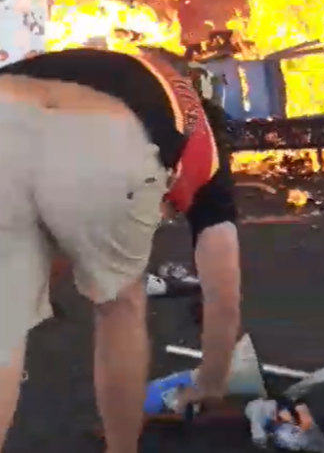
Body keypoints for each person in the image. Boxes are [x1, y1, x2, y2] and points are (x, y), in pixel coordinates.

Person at [0, 44, 240, 453]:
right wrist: (211, 381)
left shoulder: (124, 65)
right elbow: (223, 295)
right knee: (120, 302)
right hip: (106, 130)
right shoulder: (205, 152)